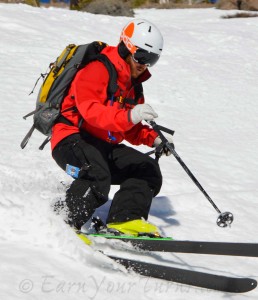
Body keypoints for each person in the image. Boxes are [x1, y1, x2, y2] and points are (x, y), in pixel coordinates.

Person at [52, 19, 173, 237]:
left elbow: (128, 127)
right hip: (71, 139)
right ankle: (64, 222)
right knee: (97, 173)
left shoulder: (133, 86)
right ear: (126, 47)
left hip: (101, 145)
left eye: (151, 59)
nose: (144, 64)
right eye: (142, 56)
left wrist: (154, 138)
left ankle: (125, 220)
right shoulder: (97, 68)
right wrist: (130, 115)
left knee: (148, 170)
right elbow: (92, 112)